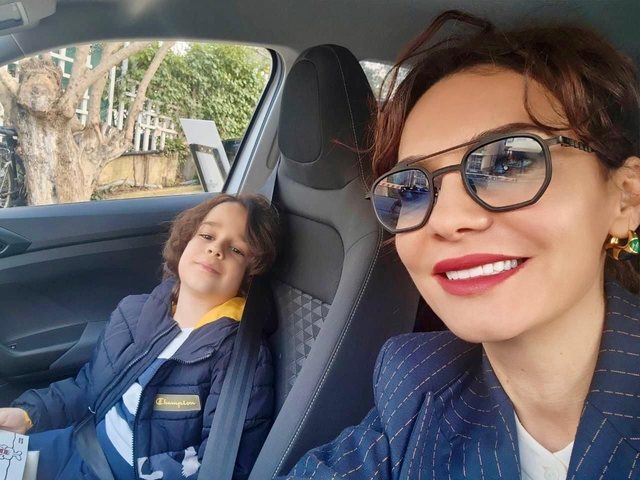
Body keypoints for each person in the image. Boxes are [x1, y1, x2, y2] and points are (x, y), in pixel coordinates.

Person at [284, 10, 640, 480]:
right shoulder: (416, 382)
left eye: (509, 163)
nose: (447, 220)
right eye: (411, 187)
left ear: (626, 198)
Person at [0, 193, 280, 480]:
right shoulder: (134, 312)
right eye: (207, 235)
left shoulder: (240, 356)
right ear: (186, 242)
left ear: (248, 276)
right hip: (78, 443)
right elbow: (89, 387)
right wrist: (28, 416)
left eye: (236, 250)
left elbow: (222, 464)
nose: (216, 249)